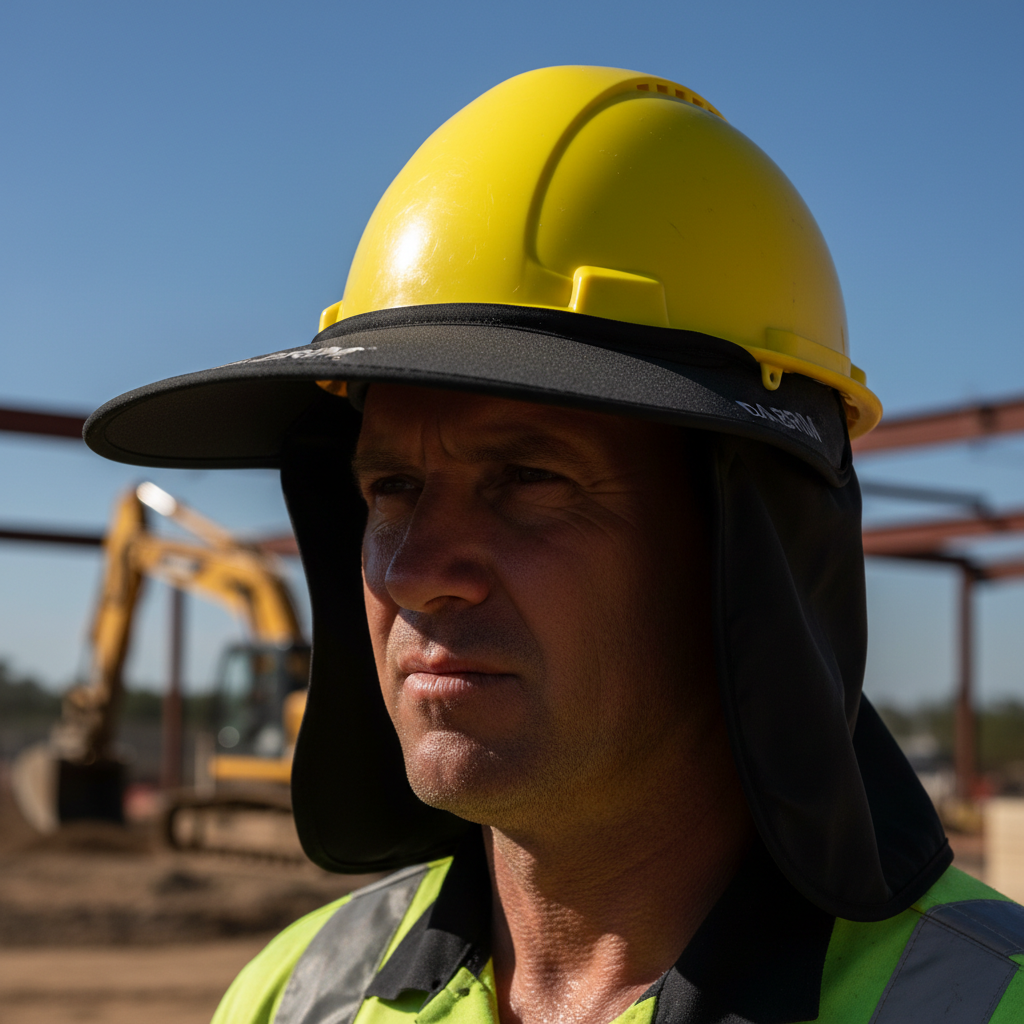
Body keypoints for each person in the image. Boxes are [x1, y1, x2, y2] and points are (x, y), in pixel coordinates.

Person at [85, 66, 1024, 1024]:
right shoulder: (293, 996)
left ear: (754, 553)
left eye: (530, 481)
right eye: (392, 488)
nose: (415, 573)